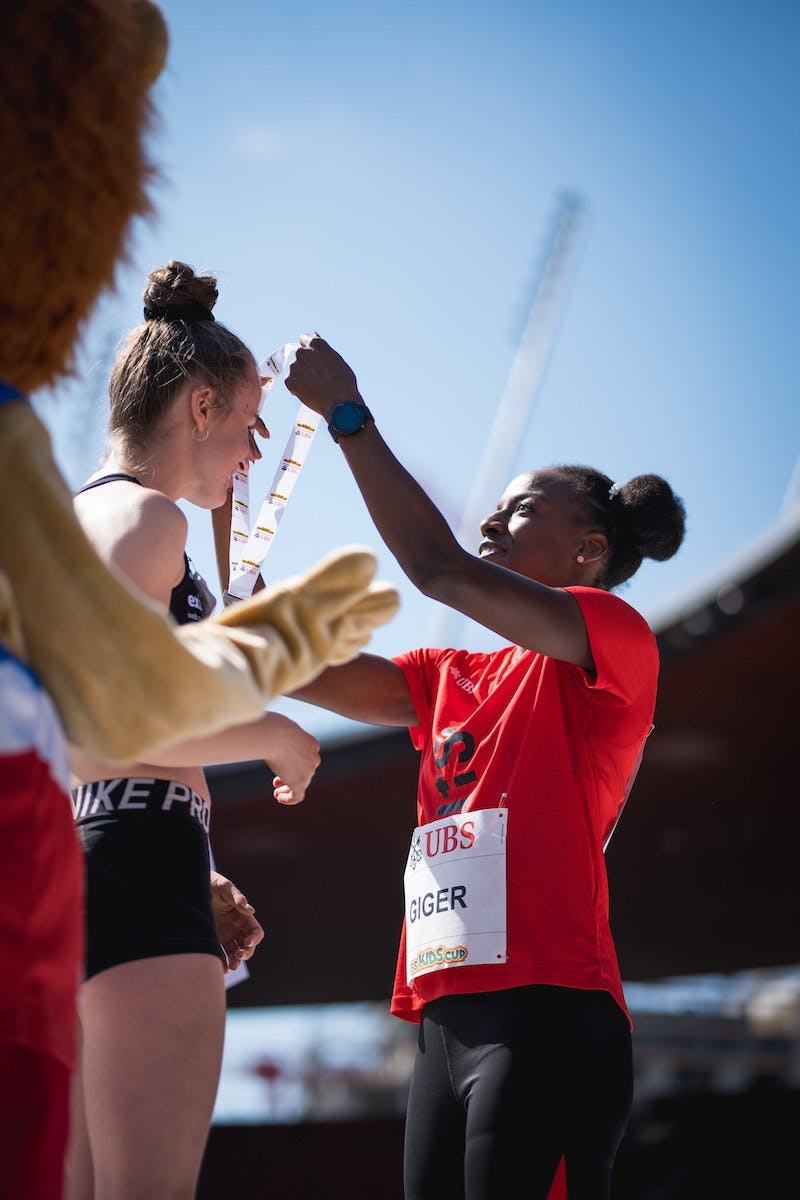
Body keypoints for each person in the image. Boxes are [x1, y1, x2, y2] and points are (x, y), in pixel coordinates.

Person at [280, 335, 687, 1200]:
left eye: (525, 508)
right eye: (498, 508)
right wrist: (208, 620)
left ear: (587, 550)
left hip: (551, 1010)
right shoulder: (446, 677)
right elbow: (307, 670)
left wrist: (348, 418)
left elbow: (437, 569)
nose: (495, 521)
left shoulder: (611, 635)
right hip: (437, 1019)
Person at [65, 262, 325, 1200]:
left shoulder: (73, 525)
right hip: (131, 863)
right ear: (203, 407)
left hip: (84, 856)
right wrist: (273, 732)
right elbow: (106, 717)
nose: (256, 453)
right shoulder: (145, 518)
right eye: (253, 425)